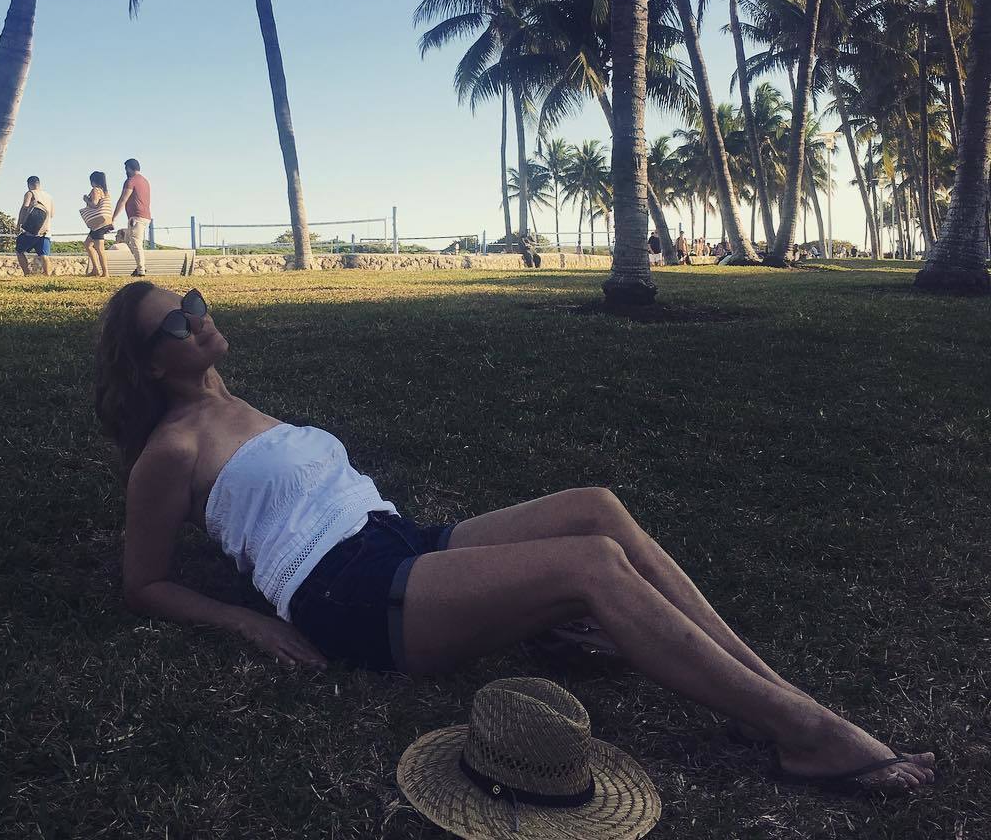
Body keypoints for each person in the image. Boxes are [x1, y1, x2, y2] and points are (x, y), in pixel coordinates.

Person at [95, 282, 936, 797]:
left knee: (596, 507)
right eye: (175, 324)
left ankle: (767, 693)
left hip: (397, 541)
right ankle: (803, 730)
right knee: (590, 566)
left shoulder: (232, 400)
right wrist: (251, 621)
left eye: (192, 303)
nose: (198, 319)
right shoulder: (171, 448)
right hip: (342, 592)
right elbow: (143, 583)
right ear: (151, 363)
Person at [113, 159, 151, 277]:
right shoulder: (145, 181)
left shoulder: (130, 181)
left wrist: (113, 217)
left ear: (128, 168)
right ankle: (140, 266)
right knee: (129, 241)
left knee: (135, 243)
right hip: (145, 216)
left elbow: (123, 199)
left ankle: (141, 270)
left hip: (136, 217)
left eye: (126, 169)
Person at [16, 175, 54, 277]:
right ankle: (47, 275)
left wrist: (19, 224)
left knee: (19, 250)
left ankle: (27, 273)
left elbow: (24, 208)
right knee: (44, 255)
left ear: (29, 184)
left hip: (31, 230)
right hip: (46, 231)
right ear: (39, 184)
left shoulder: (30, 193)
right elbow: (52, 214)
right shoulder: (49, 196)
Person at [83, 171, 114, 278]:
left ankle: (105, 272)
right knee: (87, 244)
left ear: (93, 181)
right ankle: (96, 269)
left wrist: (86, 200)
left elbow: (94, 204)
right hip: (103, 222)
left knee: (100, 248)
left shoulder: (95, 190)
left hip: (98, 223)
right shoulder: (105, 192)